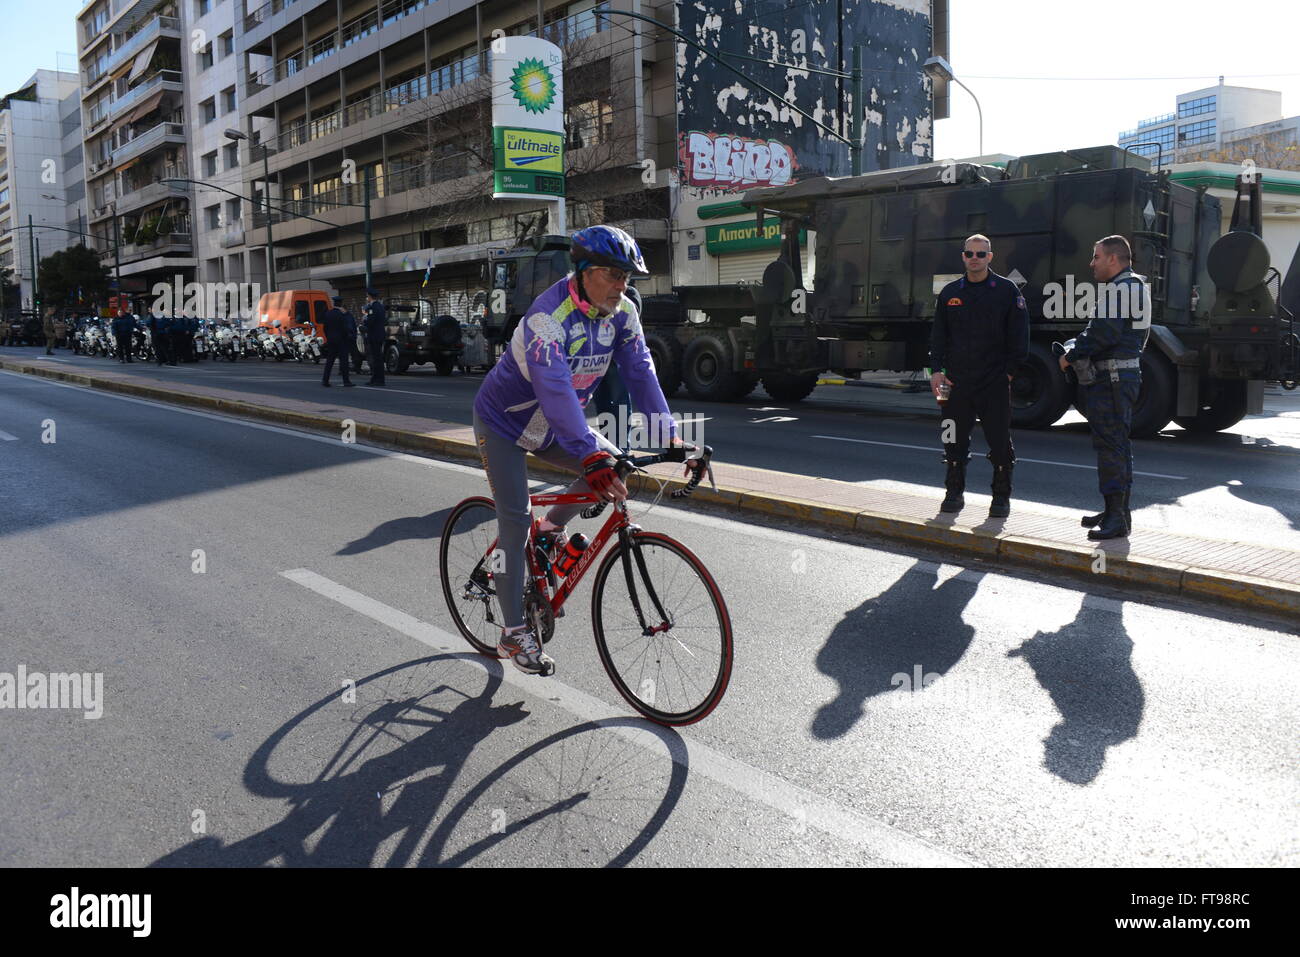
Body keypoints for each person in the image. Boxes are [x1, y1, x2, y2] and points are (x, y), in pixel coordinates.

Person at [473, 225, 689, 677]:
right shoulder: (545, 320)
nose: (622, 285)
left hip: (555, 428)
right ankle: (513, 633)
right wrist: (589, 453)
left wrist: (671, 437)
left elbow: (642, 373)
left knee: (617, 470)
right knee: (514, 519)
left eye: (627, 276)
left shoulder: (624, 314)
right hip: (504, 424)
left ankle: (551, 530)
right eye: (613, 274)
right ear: (585, 271)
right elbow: (555, 391)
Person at [929, 234, 1029, 517]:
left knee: (999, 439)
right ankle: (953, 491)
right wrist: (936, 371)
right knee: (952, 437)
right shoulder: (949, 293)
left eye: (981, 254)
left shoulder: (1007, 291)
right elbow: (938, 337)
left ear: (990, 257)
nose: (975, 258)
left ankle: (1001, 497)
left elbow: (1019, 337)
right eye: (970, 254)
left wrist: (1008, 374)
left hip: (993, 380)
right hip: (954, 382)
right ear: (963, 257)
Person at [1060, 235, 1150, 540]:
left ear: (1113, 258)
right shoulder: (1135, 285)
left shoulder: (1123, 288)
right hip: (1121, 378)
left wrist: (1070, 355)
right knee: (1118, 446)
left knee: (1110, 448)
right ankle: (1117, 512)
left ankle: (1116, 518)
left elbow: (1103, 334)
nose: (1091, 263)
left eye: (1096, 257)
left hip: (1111, 380)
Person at [321, 295, 356, 387]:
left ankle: (325, 380)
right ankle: (346, 381)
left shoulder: (328, 313)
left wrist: (328, 337)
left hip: (331, 340)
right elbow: (346, 328)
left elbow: (325, 328)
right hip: (342, 340)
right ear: (340, 304)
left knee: (330, 361)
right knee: (344, 361)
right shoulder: (342, 314)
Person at [362, 288, 387, 386]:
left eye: (367, 296)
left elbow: (370, 321)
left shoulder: (372, 307)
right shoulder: (381, 306)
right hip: (380, 334)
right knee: (378, 358)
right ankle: (378, 379)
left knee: (376, 358)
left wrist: (365, 320)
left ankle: (377, 379)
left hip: (374, 335)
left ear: (369, 296)